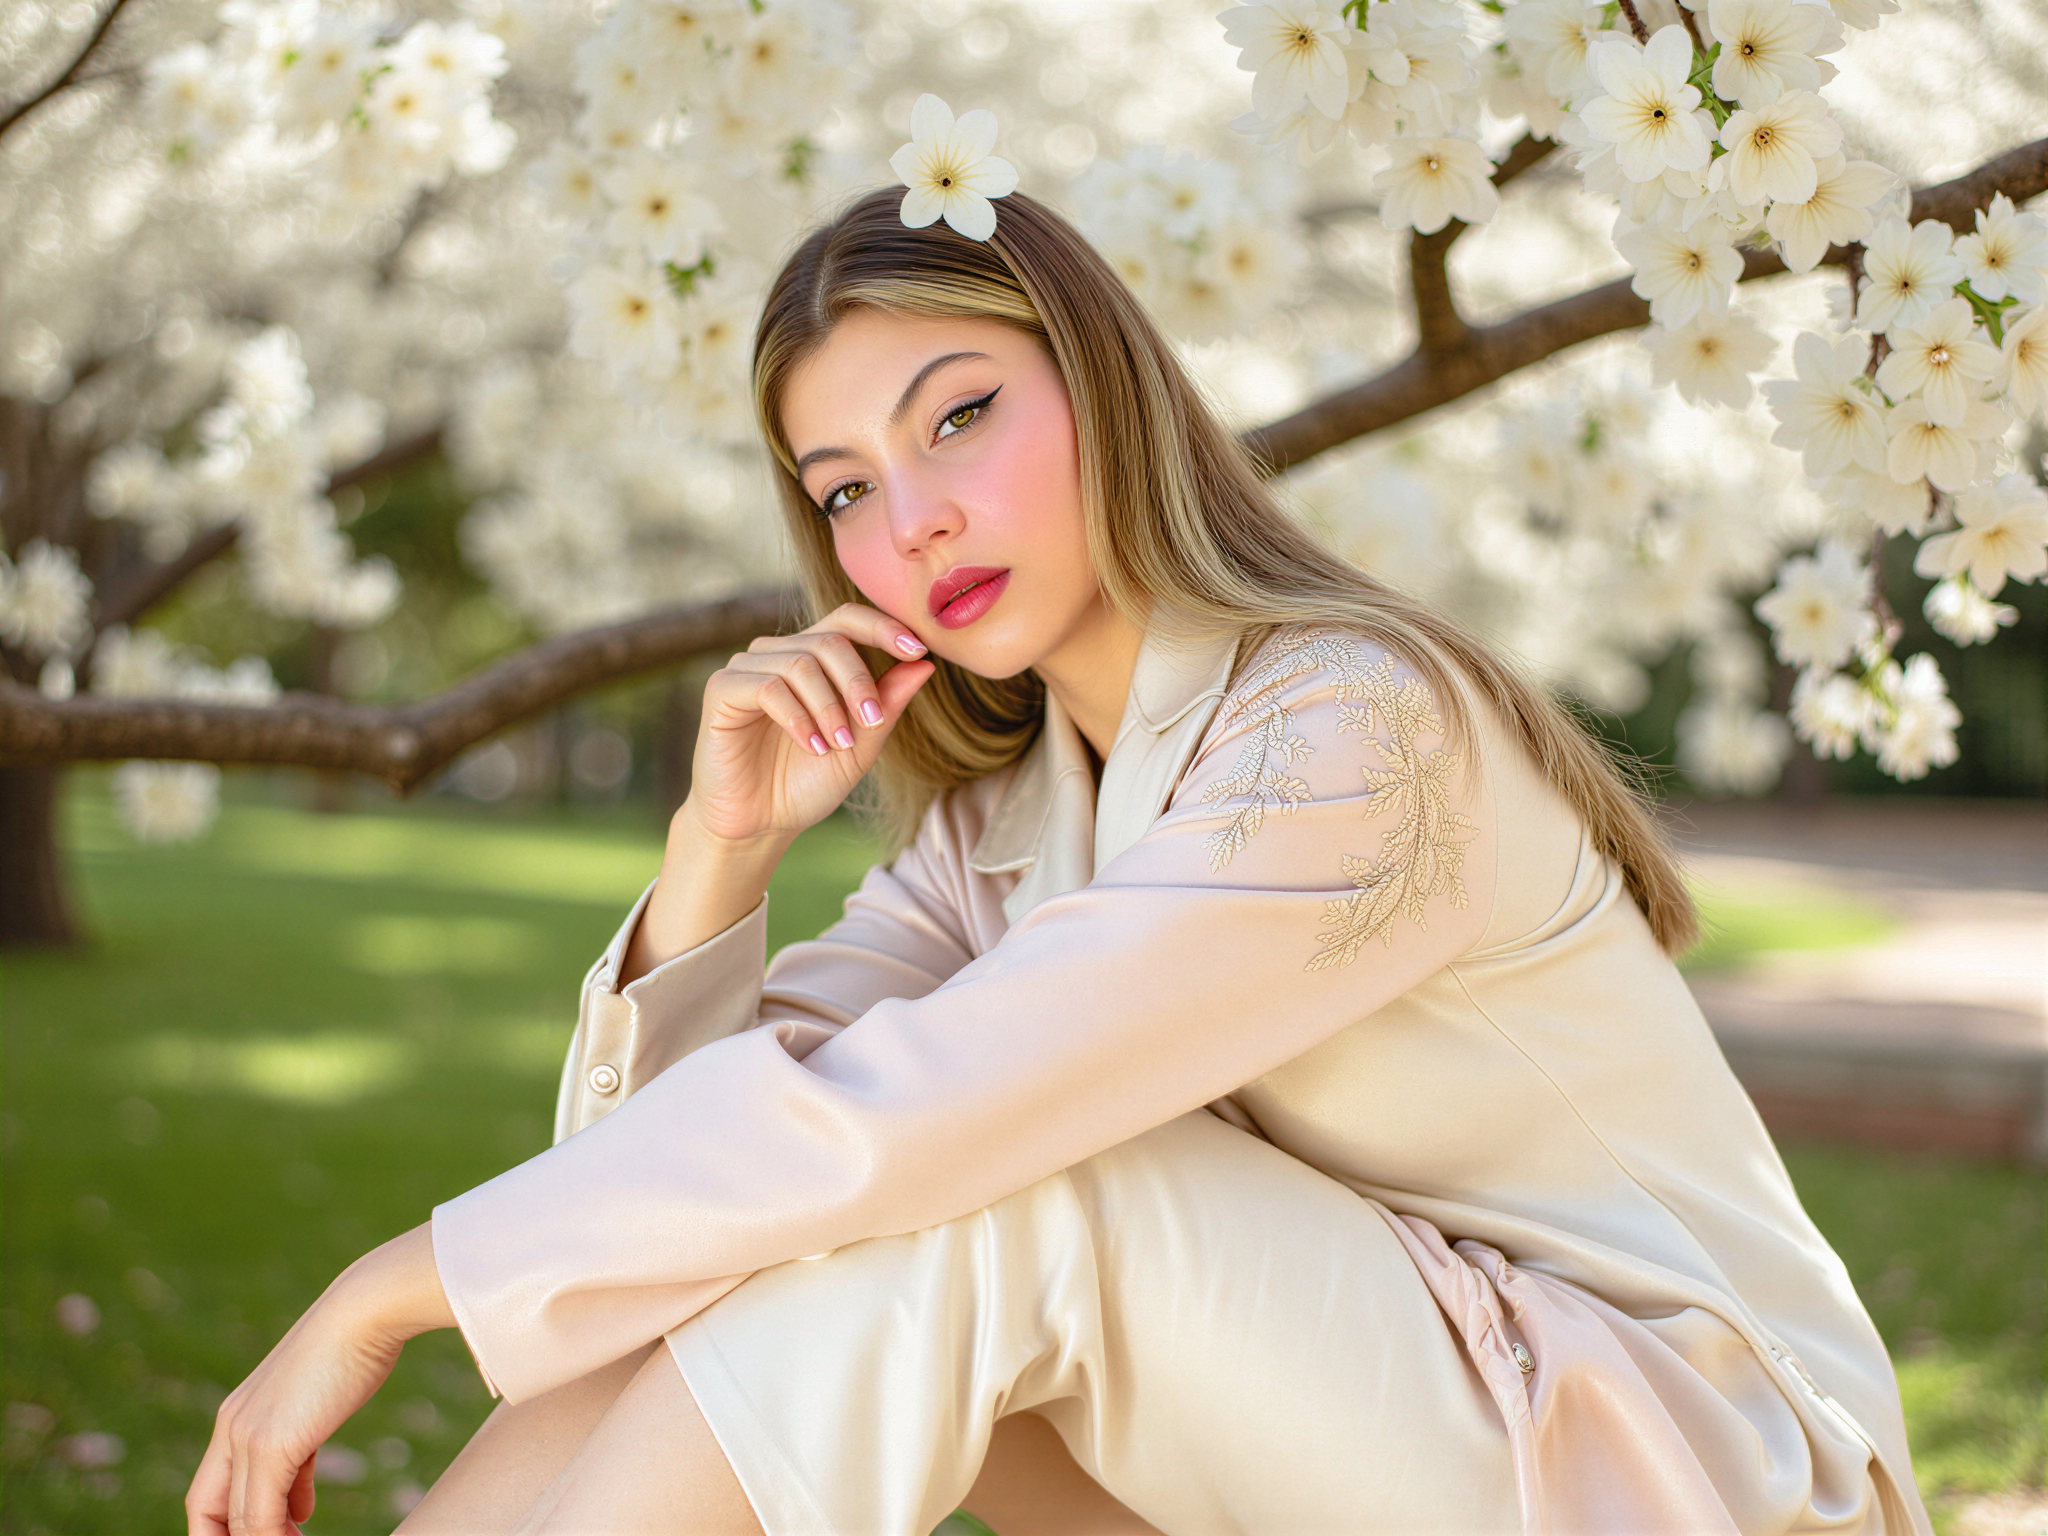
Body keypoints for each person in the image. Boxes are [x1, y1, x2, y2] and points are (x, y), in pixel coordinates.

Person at [185, 187, 1931, 1536]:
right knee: (790, 1219)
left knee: (1004, 1185)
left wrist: (383, 1295)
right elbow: (672, 1204)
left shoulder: (1353, 727)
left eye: (957, 418)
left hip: (1694, 1470)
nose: (911, 520)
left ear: (1102, 385)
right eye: (844, 488)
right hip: (1401, 1442)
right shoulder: (1003, 828)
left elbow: (909, 1124)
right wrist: (720, 852)